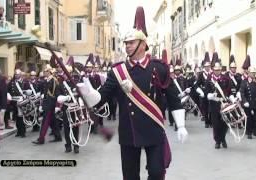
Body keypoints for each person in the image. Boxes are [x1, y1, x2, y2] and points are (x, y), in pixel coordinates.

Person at [77, 7, 188, 180]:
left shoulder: (158, 68)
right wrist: (89, 93)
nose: (127, 46)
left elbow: (173, 97)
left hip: (154, 129)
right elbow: (101, 100)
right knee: (130, 176)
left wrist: (181, 125)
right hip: (129, 131)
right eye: (126, 43)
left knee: (157, 172)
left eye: (131, 42)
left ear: (143, 44)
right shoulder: (118, 71)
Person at [32, 64, 62, 144]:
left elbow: (57, 94)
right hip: (46, 103)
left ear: (49, 72)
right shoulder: (46, 80)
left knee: (45, 121)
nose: (44, 73)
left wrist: (57, 105)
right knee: (53, 121)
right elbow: (44, 94)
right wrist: (42, 104)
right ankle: (58, 136)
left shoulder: (54, 80)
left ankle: (41, 139)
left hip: (51, 103)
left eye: (45, 71)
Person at [206, 62, 231, 149]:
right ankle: (217, 141)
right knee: (216, 124)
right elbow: (207, 92)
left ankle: (223, 139)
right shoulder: (209, 79)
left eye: (219, 70)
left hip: (224, 104)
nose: (217, 71)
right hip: (214, 104)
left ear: (221, 70)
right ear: (213, 70)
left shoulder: (226, 79)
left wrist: (231, 98)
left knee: (224, 123)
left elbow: (229, 90)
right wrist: (211, 96)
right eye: (216, 70)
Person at [240, 66, 256, 139]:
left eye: (254, 73)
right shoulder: (244, 81)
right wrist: (245, 101)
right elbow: (242, 92)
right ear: (249, 73)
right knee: (249, 118)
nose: (253, 74)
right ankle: (249, 132)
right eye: (252, 73)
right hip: (248, 103)